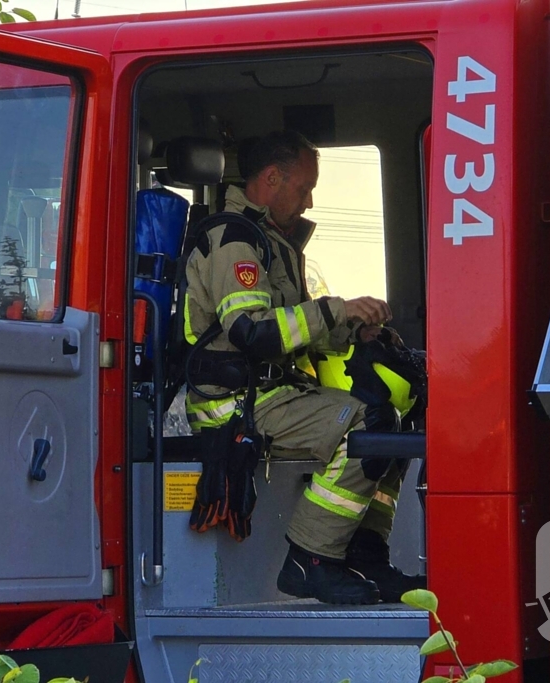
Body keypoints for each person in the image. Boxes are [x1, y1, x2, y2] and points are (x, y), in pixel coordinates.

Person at [182, 130, 426, 605]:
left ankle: (365, 552)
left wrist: (354, 329)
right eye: (304, 187)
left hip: (268, 393)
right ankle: (309, 561)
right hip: (231, 403)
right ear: (271, 178)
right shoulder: (233, 238)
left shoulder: (271, 240)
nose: (310, 201)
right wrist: (337, 310)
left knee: (390, 431)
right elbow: (251, 332)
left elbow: (294, 325)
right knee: (366, 424)